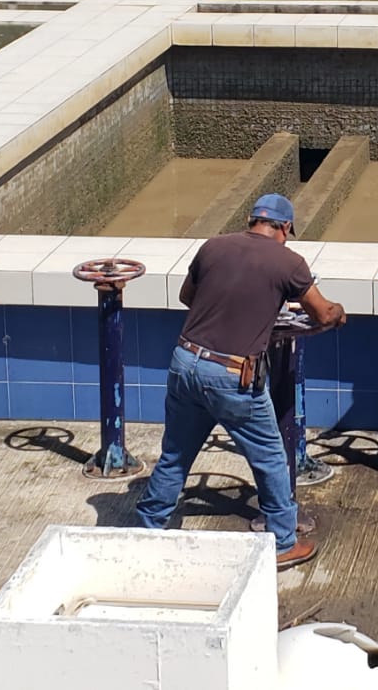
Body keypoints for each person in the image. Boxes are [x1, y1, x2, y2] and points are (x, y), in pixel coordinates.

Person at [135, 193, 346, 570]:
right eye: (287, 232)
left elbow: (188, 297)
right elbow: (322, 312)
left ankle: (148, 528)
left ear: (253, 220)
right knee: (269, 458)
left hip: (185, 362)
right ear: (282, 227)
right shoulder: (289, 262)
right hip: (232, 375)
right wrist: (338, 313)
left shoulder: (213, 246)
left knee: (176, 454)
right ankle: (283, 542)